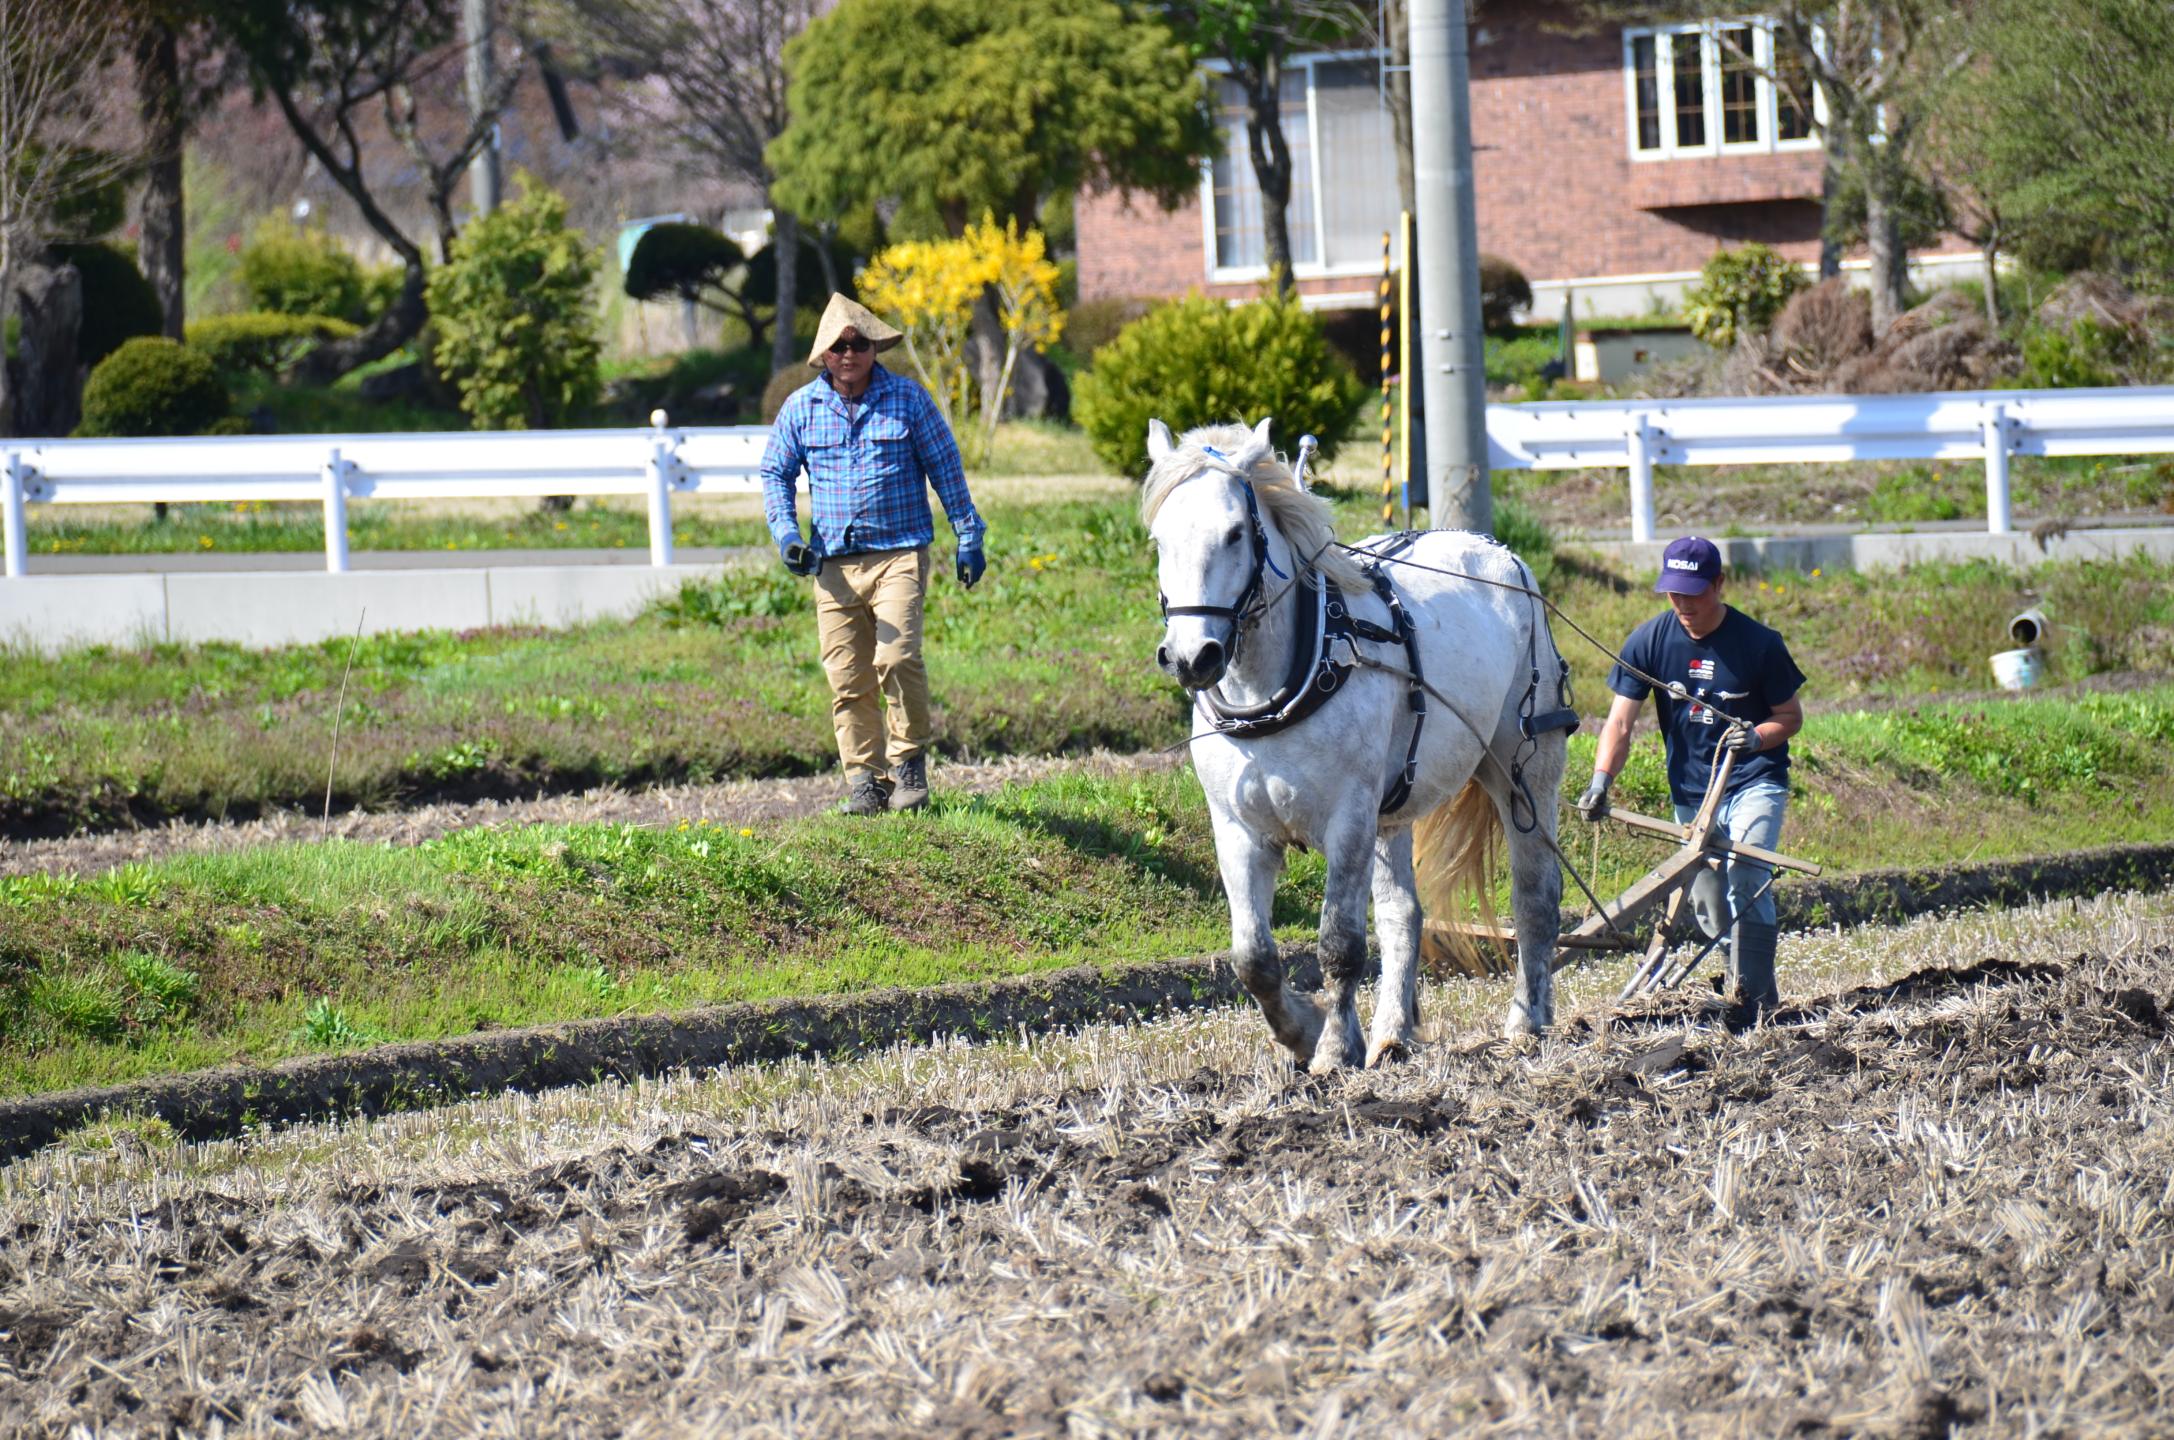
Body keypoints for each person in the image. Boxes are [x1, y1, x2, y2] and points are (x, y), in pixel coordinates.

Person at [762, 293, 987, 816]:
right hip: (833, 564)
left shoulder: (908, 400)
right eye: (840, 346)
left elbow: (945, 467)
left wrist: (968, 534)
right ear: (824, 353)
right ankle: (866, 781)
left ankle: (908, 766)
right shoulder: (800, 408)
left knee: (897, 657)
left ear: (873, 349)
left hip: (899, 555)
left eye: (859, 343)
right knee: (847, 676)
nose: (849, 353)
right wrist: (786, 534)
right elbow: (775, 473)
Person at [1576, 536, 1805, 1025]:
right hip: (1691, 791)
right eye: (1674, 594)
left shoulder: (1760, 645)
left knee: (1746, 878)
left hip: (1753, 781)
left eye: (1695, 594)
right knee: (1708, 905)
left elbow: (1789, 716)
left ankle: (1754, 1006)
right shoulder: (1649, 641)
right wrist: (1601, 781)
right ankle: (1752, 986)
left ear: (1719, 585)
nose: (1684, 605)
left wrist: (1757, 736)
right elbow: (1619, 723)